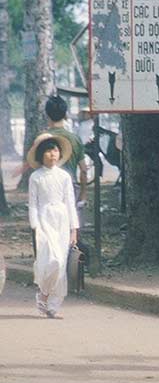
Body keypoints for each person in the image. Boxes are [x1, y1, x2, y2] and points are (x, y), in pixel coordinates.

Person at [26, 132, 79, 318]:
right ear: (41, 155)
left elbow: (70, 203)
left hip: (62, 221)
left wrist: (74, 229)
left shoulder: (64, 176)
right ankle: (44, 293)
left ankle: (53, 305)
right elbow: (33, 203)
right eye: (48, 151)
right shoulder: (36, 177)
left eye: (55, 150)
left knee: (61, 262)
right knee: (51, 260)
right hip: (44, 221)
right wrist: (35, 225)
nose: (52, 154)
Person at [44, 95, 88, 205]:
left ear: (47, 114)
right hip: (69, 187)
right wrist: (83, 194)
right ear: (65, 115)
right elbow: (83, 169)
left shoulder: (42, 138)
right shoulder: (75, 139)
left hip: (47, 188)